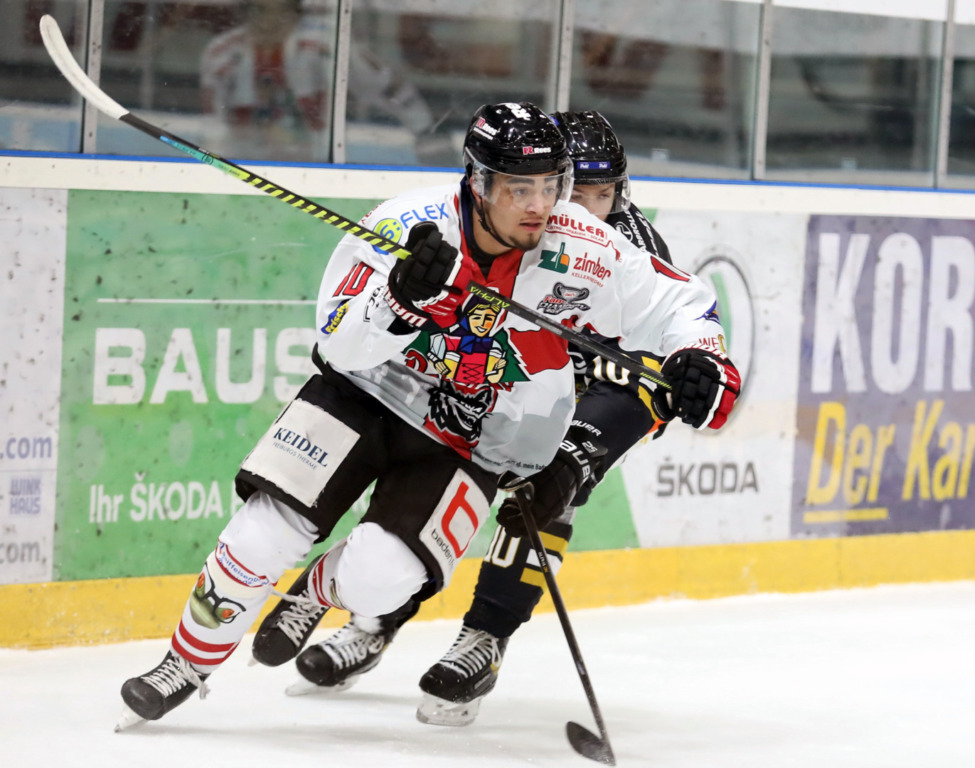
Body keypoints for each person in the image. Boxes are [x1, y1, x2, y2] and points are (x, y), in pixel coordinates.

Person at [117, 101, 740, 729]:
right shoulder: (406, 225)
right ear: (478, 181)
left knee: (378, 581)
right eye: (520, 188)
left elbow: (683, 303)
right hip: (364, 395)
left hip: (468, 435)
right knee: (264, 532)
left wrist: (702, 358)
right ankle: (183, 665)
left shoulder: (585, 249)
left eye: (551, 187)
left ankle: (321, 589)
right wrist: (398, 301)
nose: (538, 206)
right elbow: (337, 342)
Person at [256, 110, 682, 727]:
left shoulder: (628, 252)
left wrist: (587, 446)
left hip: (584, 400)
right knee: (427, 492)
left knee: (547, 488)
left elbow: (665, 370)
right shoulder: (517, 220)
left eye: (603, 194)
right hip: (499, 383)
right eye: (576, 193)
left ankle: (485, 637)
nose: (584, 211)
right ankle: (375, 617)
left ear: (621, 192)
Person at [199, 0, 451, 164]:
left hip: (316, 164)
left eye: (279, 12)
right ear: (244, 12)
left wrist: (426, 134)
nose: (268, 21)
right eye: (258, 10)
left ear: (295, 13)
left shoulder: (327, 44)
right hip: (246, 163)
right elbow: (214, 126)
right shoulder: (220, 55)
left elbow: (385, 86)